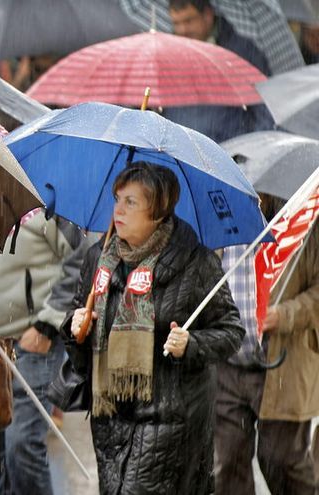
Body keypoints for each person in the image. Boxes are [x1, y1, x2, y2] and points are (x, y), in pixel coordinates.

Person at [64, 162, 244, 493]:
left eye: (130, 202)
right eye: (117, 198)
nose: (118, 209)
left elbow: (232, 331)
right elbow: (81, 319)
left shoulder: (197, 262)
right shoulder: (99, 258)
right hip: (110, 418)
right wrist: (76, 326)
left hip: (170, 420)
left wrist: (190, 344)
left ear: (158, 210)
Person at [214, 193, 319, 494]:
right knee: (228, 463)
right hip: (228, 365)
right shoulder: (222, 223)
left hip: (282, 367)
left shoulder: (302, 223)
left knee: (281, 460)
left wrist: (284, 315)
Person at [0, 211, 80, 495]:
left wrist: (48, 323)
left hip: (33, 343)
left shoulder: (52, 203)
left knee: (22, 446)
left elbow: (80, 261)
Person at [164, 0, 274, 143]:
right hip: (181, 151)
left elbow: (265, 108)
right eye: (176, 24)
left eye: (189, 21)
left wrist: (253, 150)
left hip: (230, 150)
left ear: (208, 15)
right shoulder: (168, 54)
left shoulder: (241, 52)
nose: (183, 30)